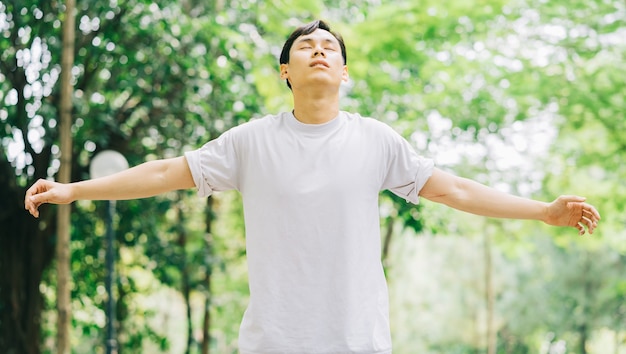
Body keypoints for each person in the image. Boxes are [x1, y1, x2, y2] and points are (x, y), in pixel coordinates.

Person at [25, 20, 600, 354]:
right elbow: (164, 173)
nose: (319, 50)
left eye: (331, 47)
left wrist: (543, 211)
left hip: (358, 340)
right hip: (273, 341)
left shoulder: (376, 140)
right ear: (286, 71)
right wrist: (75, 190)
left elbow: (456, 191)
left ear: (345, 73)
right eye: (306, 45)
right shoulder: (249, 141)